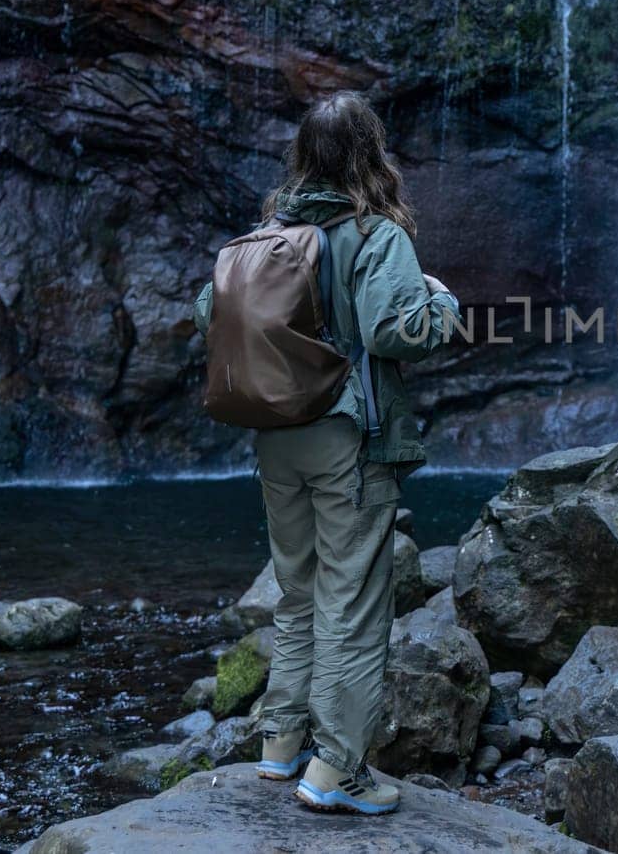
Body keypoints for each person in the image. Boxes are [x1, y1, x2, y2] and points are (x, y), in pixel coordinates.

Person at [192, 91, 459, 815]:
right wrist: (443, 305)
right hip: (351, 438)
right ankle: (338, 769)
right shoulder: (375, 235)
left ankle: (280, 747)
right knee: (354, 602)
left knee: (299, 592)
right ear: (371, 153)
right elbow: (392, 331)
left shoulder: (264, 236)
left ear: (303, 156)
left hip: (277, 437)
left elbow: (207, 315)